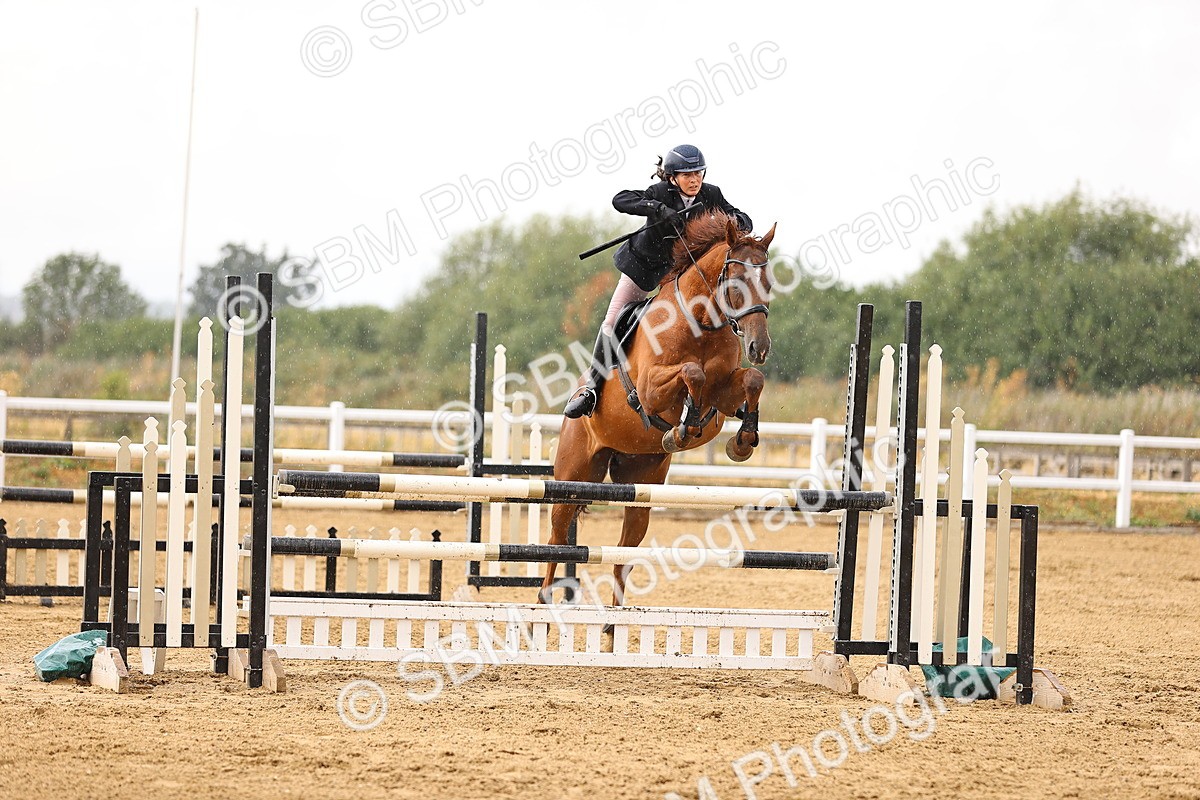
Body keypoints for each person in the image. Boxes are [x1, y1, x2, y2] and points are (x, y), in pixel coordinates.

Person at [563, 144, 753, 419]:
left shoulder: (711, 194)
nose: (694, 180)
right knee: (612, 321)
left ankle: (723, 385)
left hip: (677, 276)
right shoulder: (661, 192)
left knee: (707, 315)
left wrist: (736, 221)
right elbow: (620, 199)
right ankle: (591, 389)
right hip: (644, 269)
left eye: (698, 173)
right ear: (672, 177)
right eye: (687, 175)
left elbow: (740, 216)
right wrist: (658, 208)